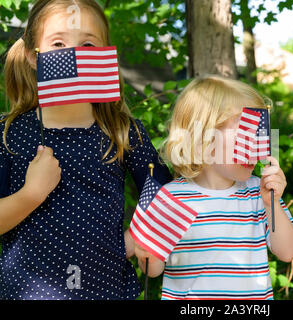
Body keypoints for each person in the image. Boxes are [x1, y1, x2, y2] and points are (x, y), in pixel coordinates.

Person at [0, 0, 171, 300]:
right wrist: (32, 194)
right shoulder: (8, 134)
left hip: (111, 291)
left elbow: (162, 190)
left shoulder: (122, 131)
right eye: (58, 43)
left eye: (88, 45)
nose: (74, 55)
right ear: (31, 56)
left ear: (105, 56)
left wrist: (135, 238)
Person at [132, 75, 293, 300]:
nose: (257, 145)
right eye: (245, 134)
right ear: (204, 140)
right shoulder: (171, 198)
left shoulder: (258, 194)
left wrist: (272, 204)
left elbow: (287, 252)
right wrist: (145, 254)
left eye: (259, 133)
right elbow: (154, 270)